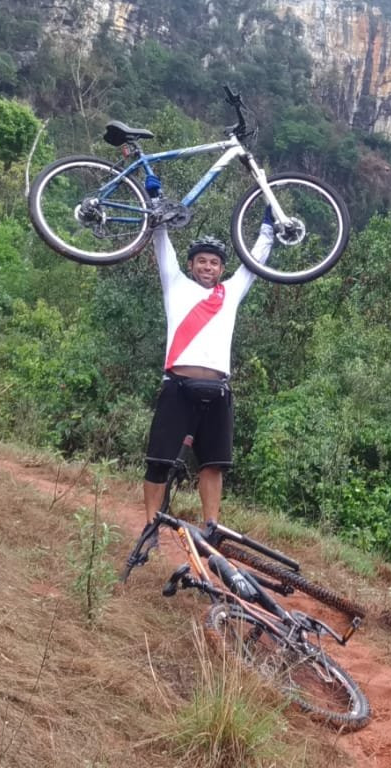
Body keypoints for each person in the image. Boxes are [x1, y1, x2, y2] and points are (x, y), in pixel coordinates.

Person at [141, 211, 274, 533]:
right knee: (159, 461)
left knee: (214, 464)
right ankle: (150, 526)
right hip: (178, 385)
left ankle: (211, 526)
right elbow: (162, 245)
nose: (207, 267)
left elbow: (255, 261)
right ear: (190, 265)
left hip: (218, 391)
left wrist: (267, 227)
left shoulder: (229, 293)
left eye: (213, 263)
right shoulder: (175, 284)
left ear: (221, 269)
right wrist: (155, 210)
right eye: (201, 261)